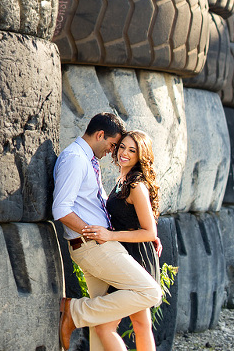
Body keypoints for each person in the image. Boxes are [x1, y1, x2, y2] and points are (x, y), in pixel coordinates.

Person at [54, 113, 162, 351]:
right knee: (149, 294)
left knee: (104, 324)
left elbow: (111, 210)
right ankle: (74, 311)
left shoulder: (94, 164)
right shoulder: (76, 158)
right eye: (117, 145)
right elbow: (61, 208)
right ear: (100, 135)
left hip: (112, 244)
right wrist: (94, 233)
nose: (116, 151)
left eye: (129, 149)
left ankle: (75, 312)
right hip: (95, 244)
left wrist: (147, 235)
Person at [82, 130, 161, 351]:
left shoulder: (136, 185)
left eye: (132, 150)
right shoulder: (123, 179)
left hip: (135, 257)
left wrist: (110, 235)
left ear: (140, 156)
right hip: (125, 253)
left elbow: (150, 232)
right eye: (123, 147)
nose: (124, 153)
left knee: (105, 327)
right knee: (141, 324)